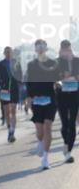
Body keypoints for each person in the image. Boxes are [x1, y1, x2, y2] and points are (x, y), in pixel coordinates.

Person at [25, 39, 59, 171]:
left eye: (42, 46)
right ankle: (40, 142)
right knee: (40, 132)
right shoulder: (31, 65)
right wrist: (28, 98)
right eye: (38, 46)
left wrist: (58, 83)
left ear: (46, 48)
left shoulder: (52, 63)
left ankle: (45, 159)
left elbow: (57, 77)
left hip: (50, 99)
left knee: (48, 128)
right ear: (35, 49)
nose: (40, 48)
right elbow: (28, 83)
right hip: (37, 101)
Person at [0, 46, 23, 142]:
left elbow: (21, 75)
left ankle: (12, 132)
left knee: (13, 111)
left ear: (12, 53)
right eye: (6, 52)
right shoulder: (0, 64)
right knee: (6, 112)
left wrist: (19, 82)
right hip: (4, 89)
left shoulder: (16, 63)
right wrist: (0, 84)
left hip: (14, 89)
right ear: (4, 53)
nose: (8, 53)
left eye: (9, 52)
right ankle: (9, 128)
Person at [57, 40, 78, 164]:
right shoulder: (57, 62)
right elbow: (54, 77)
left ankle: (68, 152)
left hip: (75, 94)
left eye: (68, 49)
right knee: (65, 125)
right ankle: (66, 143)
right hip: (61, 95)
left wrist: (71, 74)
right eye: (64, 49)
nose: (66, 51)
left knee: (72, 124)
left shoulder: (77, 60)